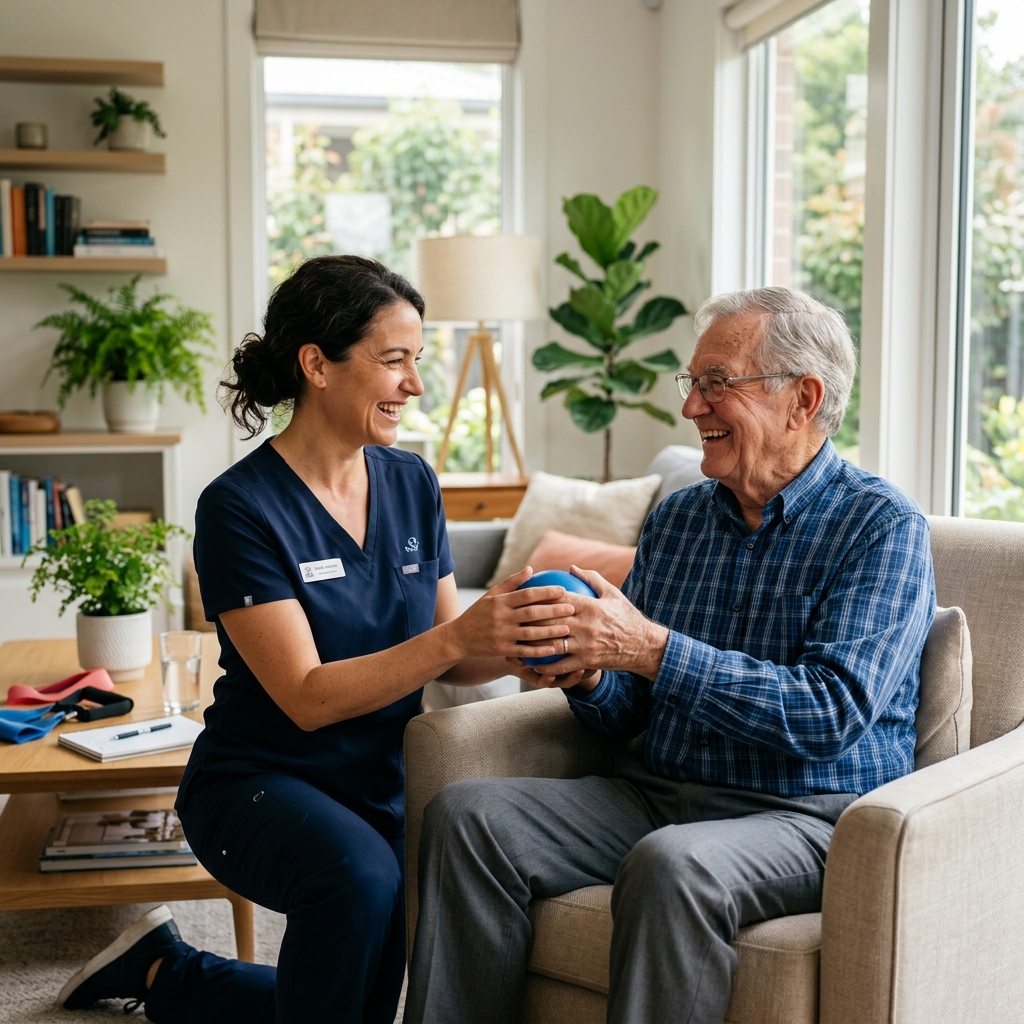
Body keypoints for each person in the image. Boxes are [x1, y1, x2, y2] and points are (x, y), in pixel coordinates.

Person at [58, 256, 578, 1024]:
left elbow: (456, 654)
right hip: (260, 783)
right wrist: (456, 636)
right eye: (393, 360)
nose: (415, 384)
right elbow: (305, 697)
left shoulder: (412, 482)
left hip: (383, 786)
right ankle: (174, 970)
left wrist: (531, 637)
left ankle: (169, 972)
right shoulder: (239, 507)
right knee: (363, 878)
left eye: (417, 361)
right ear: (317, 365)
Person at [405, 286, 936, 1024]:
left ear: (803, 398)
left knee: (672, 864)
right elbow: (632, 710)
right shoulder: (681, 518)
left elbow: (829, 713)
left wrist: (649, 647)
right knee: (468, 815)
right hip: (655, 791)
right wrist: (592, 672)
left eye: (718, 384)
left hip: (805, 815)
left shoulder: (880, 528)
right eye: (694, 384)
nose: (691, 408)